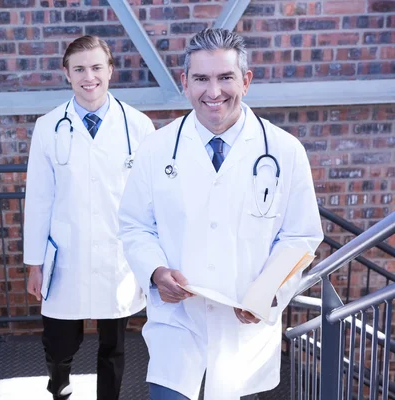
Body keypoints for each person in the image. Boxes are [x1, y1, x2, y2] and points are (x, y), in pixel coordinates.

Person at [118, 28, 323, 400]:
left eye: (225, 77)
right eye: (201, 79)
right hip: (177, 326)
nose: (214, 92)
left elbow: (301, 236)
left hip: (245, 330)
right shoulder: (156, 149)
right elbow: (134, 225)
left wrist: (269, 293)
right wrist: (156, 271)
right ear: (185, 82)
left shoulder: (285, 151)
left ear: (245, 80)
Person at [23, 35, 155, 400]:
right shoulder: (48, 126)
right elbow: (38, 199)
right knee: (59, 344)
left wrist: (152, 259)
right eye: (79, 69)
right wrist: (34, 263)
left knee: (114, 349)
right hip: (65, 255)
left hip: (118, 256)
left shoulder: (139, 126)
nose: (89, 77)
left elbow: (153, 200)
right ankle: (59, 386)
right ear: (66, 73)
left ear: (110, 71)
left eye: (97, 67)